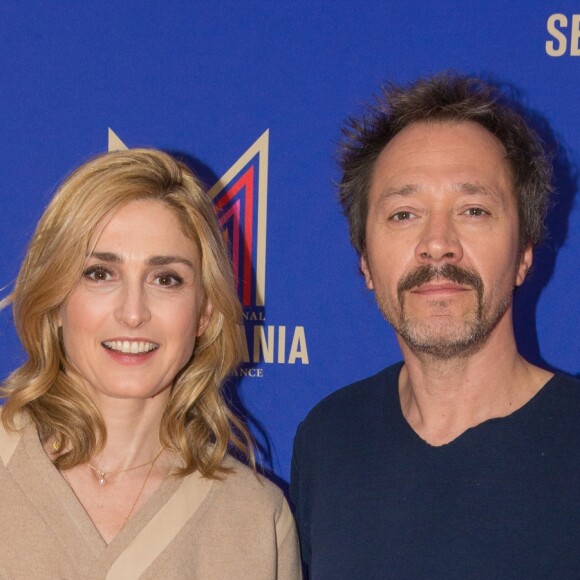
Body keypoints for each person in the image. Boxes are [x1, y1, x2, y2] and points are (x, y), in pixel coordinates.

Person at [290, 73, 580, 579]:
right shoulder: (329, 439)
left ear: (524, 254)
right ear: (365, 262)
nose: (437, 243)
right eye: (404, 214)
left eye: (473, 210)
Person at [0, 149, 301, 579]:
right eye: (100, 273)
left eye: (166, 279)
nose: (133, 312)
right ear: (55, 299)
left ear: (205, 312)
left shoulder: (253, 519)